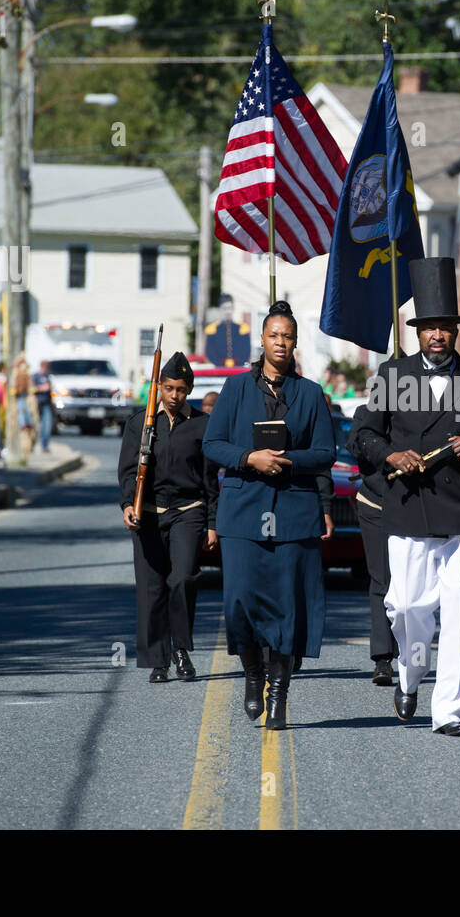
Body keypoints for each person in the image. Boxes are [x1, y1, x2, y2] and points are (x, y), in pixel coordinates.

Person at [353, 257, 460, 736]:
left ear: (455, 332)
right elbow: (363, 434)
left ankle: (449, 711)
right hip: (407, 509)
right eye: (429, 328)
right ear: (416, 331)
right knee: (406, 606)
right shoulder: (392, 374)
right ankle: (410, 672)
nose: (437, 336)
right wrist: (392, 456)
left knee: (459, 616)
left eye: (445, 328)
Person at [203, 301, 335, 730]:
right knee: (239, 601)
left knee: (286, 609)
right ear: (261, 339)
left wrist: (289, 461)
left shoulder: (310, 394)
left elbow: (325, 453)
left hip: (294, 511)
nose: (281, 343)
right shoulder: (235, 388)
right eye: (274, 335)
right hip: (243, 510)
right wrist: (248, 458)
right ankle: (252, 672)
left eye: (288, 337)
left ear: (296, 342)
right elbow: (212, 444)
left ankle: (279, 691)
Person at [119, 351, 218, 684]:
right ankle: (158, 660)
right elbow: (129, 471)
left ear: (189, 389)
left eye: (181, 389)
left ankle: (180, 647)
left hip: (188, 512)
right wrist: (128, 505)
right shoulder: (140, 424)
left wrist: (213, 523)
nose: (174, 395)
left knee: (183, 578)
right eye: (169, 387)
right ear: (158, 386)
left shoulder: (202, 424)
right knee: (152, 589)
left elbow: (210, 478)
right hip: (147, 514)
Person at [347, 403, 397, 687]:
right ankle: (383, 657)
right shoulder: (365, 413)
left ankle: (410, 650)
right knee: (381, 579)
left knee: (414, 584)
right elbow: (355, 446)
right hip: (375, 503)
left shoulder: (416, 411)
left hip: (411, 506)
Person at [12, 356, 34, 453]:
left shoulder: (28, 376)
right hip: (19, 397)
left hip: (26, 397)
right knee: (21, 411)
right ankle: (23, 425)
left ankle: (27, 426)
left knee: (28, 413)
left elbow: (31, 387)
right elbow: (14, 388)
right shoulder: (16, 375)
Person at [32, 359, 54, 452]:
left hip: (46, 404)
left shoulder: (48, 377)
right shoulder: (35, 376)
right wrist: (40, 388)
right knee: (35, 426)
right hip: (37, 404)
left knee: (47, 426)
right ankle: (31, 445)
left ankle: (45, 446)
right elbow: (31, 389)